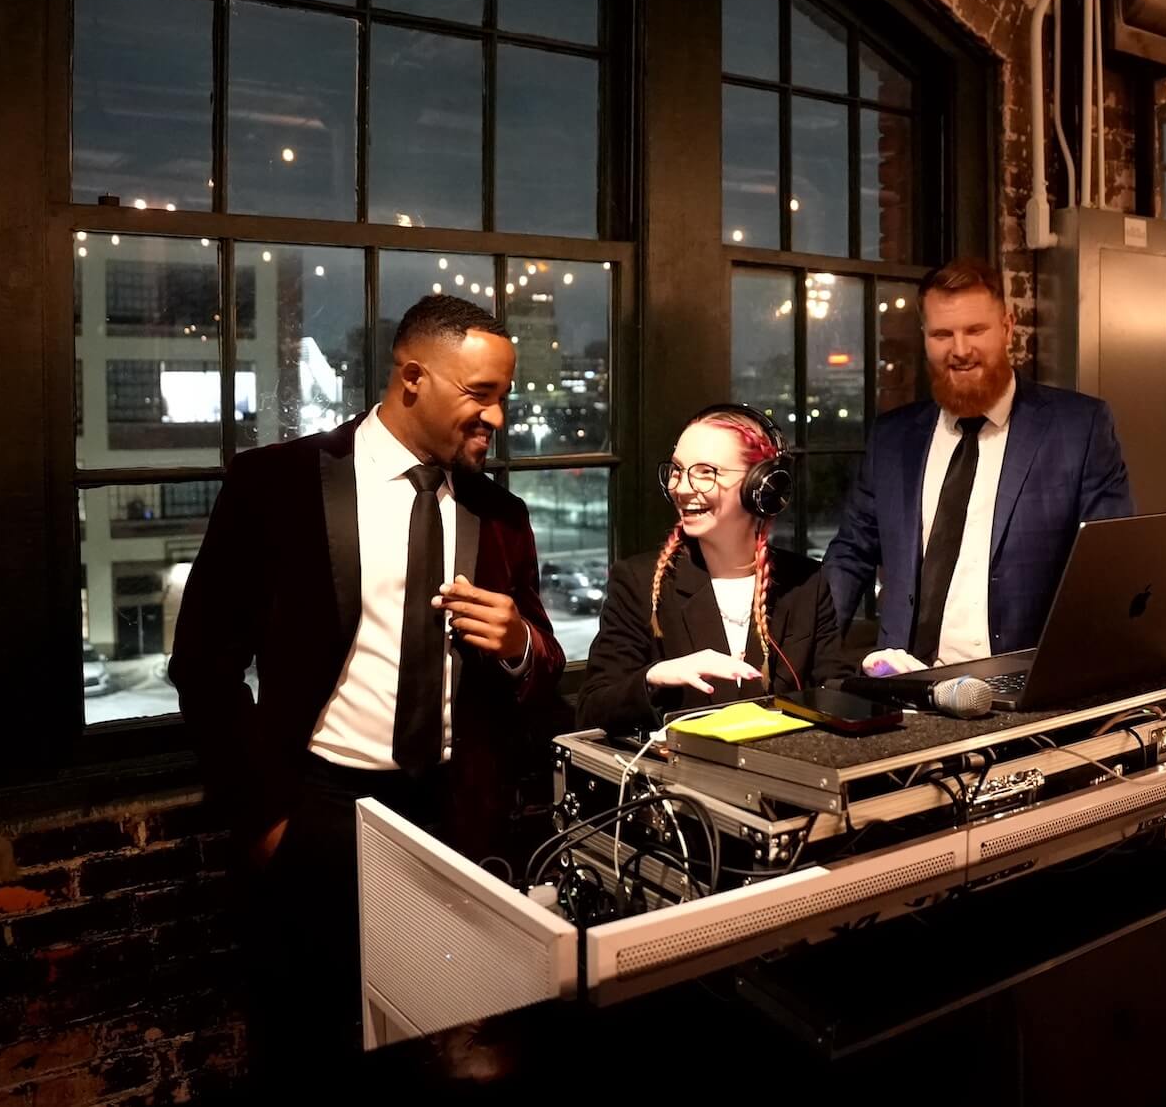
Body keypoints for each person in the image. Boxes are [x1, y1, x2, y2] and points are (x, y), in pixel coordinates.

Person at [168, 293, 566, 1083]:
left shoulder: (502, 512)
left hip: (453, 819)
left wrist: (520, 643)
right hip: (317, 813)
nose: (497, 417)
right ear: (413, 377)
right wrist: (267, 820)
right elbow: (204, 665)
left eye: (504, 398)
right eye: (480, 395)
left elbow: (545, 663)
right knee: (310, 1053)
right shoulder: (274, 484)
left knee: (450, 1053)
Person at [824, 258, 1134, 674]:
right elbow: (851, 552)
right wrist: (804, 657)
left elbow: (1108, 566)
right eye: (942, 334)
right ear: (924, 337)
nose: (960, 350)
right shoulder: (892, 437)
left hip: (1023, 693)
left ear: (1007, 328)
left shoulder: (1079, 428)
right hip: (904, 687)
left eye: (975, 330)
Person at [577, 405, 854, 734]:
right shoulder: (638, 581)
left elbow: (832, 690)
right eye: (678, 470)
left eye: (706, 472)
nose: (681, 487)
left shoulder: (805, 581)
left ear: (761, 486)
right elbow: (592, 709)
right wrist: (653, 678)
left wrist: (879, 683)